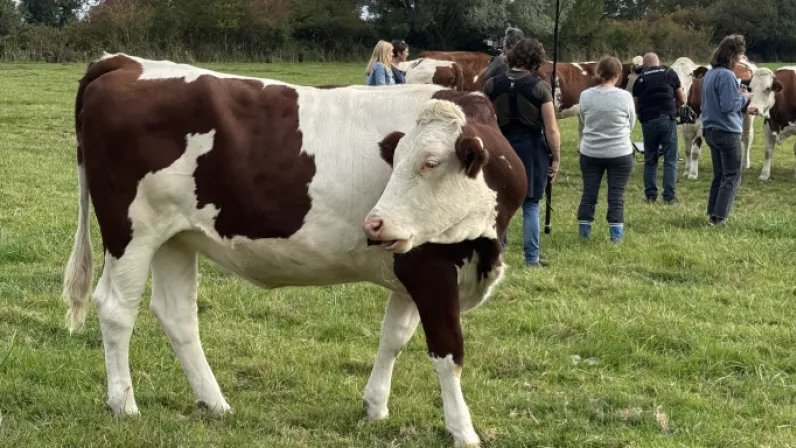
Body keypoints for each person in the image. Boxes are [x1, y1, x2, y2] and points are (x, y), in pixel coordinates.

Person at [483, 37, 561, 268]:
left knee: (500, 204)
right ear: (537, 60)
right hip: (531, 149)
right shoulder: (540, 88)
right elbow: (551, 129)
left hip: (501, 146)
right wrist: (556, 157)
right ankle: (531, 258)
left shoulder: (492, 84)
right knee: (531, 205)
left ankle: (498, 255)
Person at [577, 56, 636, 243]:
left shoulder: (586, 95)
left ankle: (584, 234)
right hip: (619, 152)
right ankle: (615, 237)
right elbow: (631, 123)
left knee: (589, 193)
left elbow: (583, 120)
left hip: (591, 151)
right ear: (618, 75)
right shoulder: (625, 96)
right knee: (616, 196)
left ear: (598, 73)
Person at [700, 35, 755, 226]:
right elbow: (728, 105)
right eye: (740, 57)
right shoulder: (727, 75)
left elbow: (716, 103)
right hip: (727, 132)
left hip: (710, 129)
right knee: (732, 175)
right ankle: (719, 217)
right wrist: (745, 96)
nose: (740, 61)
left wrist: (741, 104)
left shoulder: (710, 74)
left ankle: (712, 212)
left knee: (719, 175)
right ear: (733, 55)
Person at [632, 52, 686, 204]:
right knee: (670, 158)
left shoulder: (640, 79)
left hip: (648, 121)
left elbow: (635, 105)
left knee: (650, 159)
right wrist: (674, 106)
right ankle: (669, 196)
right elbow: (681, 99)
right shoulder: (669, 73)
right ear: (659, 62)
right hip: (667, 119)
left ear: (645, 65)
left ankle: (651, 195)